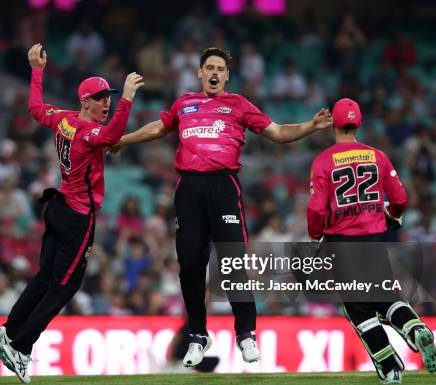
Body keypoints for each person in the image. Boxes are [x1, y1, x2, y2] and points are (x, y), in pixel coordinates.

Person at [111, 47, 331, 367]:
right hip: (189, 189)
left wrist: (310, 126)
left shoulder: (239, 105)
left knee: (232, 264)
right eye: (209, 67)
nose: (214, 72)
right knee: (189, 265)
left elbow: (279, 133)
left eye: (220, 68)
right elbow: (159, 127)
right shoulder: (184, 103)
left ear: (226, 75)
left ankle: (245, 334)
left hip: (223, 187)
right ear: (200, 73)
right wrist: (125, 140)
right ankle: (197, 336)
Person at [0, 43, 144, 384]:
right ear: (84, 101)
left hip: (57, 206)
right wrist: (128, 98)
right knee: (63, 287)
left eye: (111, 97)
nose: (107, 102)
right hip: (77, 215)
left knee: (45, 277)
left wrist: (37, 70)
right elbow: (112, 135)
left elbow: (34, 108)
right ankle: (21, 346)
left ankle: (7, 331)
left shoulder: (65, 121)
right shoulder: (87, 132)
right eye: (101, 97)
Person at [307, 97, 436, 384]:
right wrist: (392, 216)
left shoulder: (322, 162)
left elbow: (317, 209)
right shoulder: (377, 156)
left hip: (341, 242)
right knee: (383, 295)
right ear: (359, 122)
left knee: (358, 308)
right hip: (375, 239)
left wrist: (315, 236)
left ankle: (390, 367)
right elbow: (401, 198)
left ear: (335, 125)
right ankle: (415, 328)